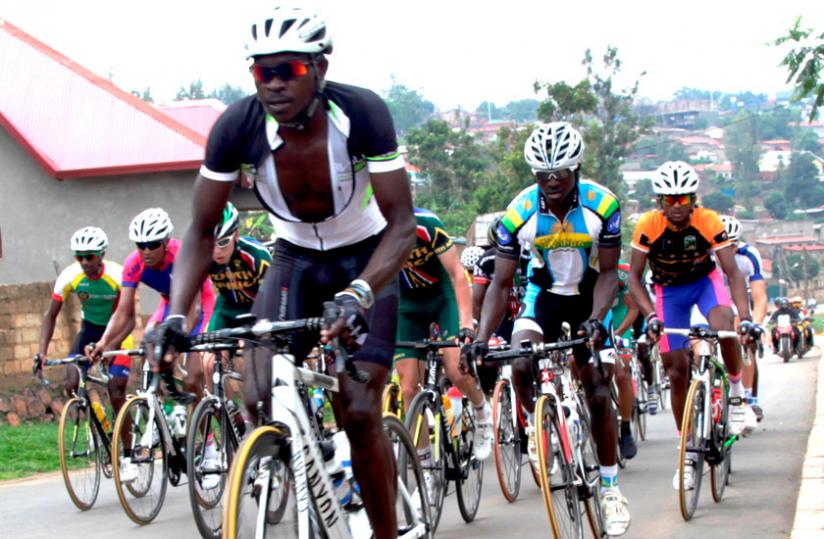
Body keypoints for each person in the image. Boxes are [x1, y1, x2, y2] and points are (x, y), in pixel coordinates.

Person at [153, 7, 416, 537]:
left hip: (364, 257)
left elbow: (403, 225)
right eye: (260, 72)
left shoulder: (361, 112)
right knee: (256, 393)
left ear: (319, 67)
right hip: (294, 258)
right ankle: (313, 455)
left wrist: (362, 292)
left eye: (287, 70)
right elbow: (202, 230)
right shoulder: (238, 126)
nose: (272, 83)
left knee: (360, 409)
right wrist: (177, 317)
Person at [469, 121, 631, 536]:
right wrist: (483, 338)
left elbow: (611, 274)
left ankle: (611, 488)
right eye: (543, 174)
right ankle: (543, 428)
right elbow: (502, 283)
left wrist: (597, 319)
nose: (551, 181)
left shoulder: (602, 205)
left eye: (559, 172)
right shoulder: (518, 213)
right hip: (542, 298)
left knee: (596, 385)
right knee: (521, 362)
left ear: (575, 169)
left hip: (589, 297)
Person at [627, 161, 755, 493]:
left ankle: (738, 395)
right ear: (659, 202)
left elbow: (733, 273)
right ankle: (686, 451)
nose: (676, 207)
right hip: (668, 292)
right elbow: (634, 279)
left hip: (704, 284)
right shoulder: (647, 226)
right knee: (675, 369)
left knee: (724, 326)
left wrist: (746, 317)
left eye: (683, 200)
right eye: (669, 200)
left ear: (693, 200)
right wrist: (651, 316)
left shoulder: (708, 221)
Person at [394, 208, 492, 489]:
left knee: (455, 369)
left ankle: (481, 410)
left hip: (442, 296)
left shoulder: (426, 225)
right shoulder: (372, 233)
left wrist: (466, 327)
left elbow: (458, 275)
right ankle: (425, 466)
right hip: (407, 304)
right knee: (409, 388)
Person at [90, 208, 216, 405]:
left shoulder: (182, 255)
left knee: (192, 379)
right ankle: (160, 413)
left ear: (166, 242)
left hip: (199, 303)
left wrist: (176, 342)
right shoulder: (134, 263)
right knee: (149, 338)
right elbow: (122, 312)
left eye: (153, 245)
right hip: (169, 302)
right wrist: (104, 342)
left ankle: (207, 432)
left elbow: (195, 307)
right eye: (141, 245)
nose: (146, 251)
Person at [35, 227, 133, 415]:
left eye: (89, 257)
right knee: (71, 385)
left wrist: (110, 347)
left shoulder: (117, 275)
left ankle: (127, 445)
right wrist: (42, 352)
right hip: (89, 330)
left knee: (116, 392)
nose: (84, 262)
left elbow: (124, 316)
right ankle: (96, 425)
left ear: (102, 254)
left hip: (117, 332)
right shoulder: (69, 276)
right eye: (79, 257)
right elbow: (51, 316)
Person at [720, 215, 768, 422]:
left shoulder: (749, 255)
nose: (727, 251)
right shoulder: (707, 257)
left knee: (747, 341)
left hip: (740, 302)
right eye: (723, 246)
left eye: (732, 246)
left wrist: (755, 325)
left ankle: (748, 398)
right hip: (716, 302)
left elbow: (759, 296)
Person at [603, 262, 640, 460]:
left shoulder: (623, 272)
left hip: (618, 324)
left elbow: (633, 309)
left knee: (621, 373)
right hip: (596, 322)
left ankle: (625, 428)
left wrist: (617, 332)